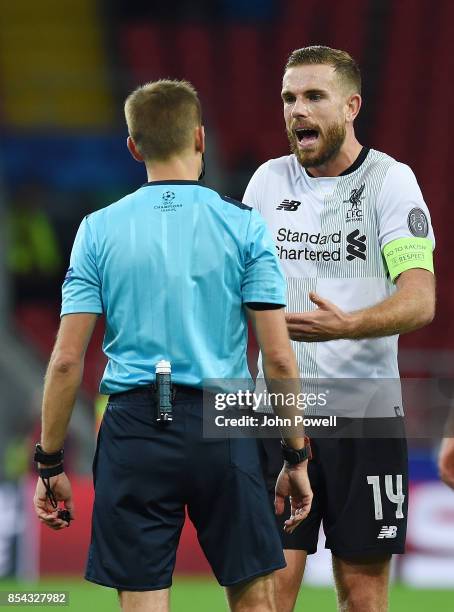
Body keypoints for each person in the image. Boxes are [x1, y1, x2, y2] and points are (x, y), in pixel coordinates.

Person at [32, 79, 313, 612]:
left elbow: (67, 359)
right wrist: (295, 454)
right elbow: (277, 356)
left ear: (134, 147)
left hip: (134, 425)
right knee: (255, 600)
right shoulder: (244, 226)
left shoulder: (97, 229)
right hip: (222, 422)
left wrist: (49, 463)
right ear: (201, 139)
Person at [243, 46, 436, 612]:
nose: (296, 110)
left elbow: (420, 300)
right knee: (268, 591)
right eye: (288, 98)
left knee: (364, 593)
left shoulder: (390, 183)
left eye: (312, 97)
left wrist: (346, 325)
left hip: (365, 415)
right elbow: (235, 290)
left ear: (351, 106)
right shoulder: (266, 183)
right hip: (275, 414)